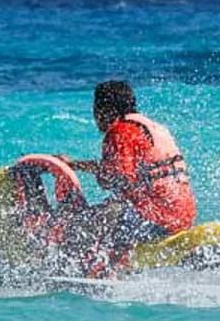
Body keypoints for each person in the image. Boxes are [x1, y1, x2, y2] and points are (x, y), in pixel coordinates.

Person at [61, 80, 196, 265]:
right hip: (183, 214)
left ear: (105, 108)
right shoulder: (151, 127)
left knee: (81, 224)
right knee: (112, 207)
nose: (95, 116)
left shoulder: (120, 132)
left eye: (95, 109)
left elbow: (118, 178)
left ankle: (84, 270)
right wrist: (76, 165)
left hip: (157, 217)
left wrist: (90, 172)